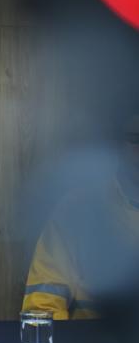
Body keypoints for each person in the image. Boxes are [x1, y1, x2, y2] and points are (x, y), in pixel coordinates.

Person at [22, 115, 139, 320]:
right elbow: (43, 305)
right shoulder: (78, 209)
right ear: (117, 145)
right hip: (92, 339)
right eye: (135, 140)